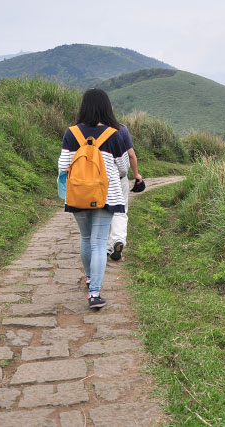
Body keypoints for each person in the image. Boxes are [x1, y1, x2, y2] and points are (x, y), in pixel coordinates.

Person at [58, 88, 129, 309]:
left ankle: (89, 278)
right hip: (105, 196)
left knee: (86, 239)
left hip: (78, 195)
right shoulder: (114, 134)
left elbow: (62, 166)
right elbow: (123, 167)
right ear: (106, 108)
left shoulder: (71, 134)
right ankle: (95, 294)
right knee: (99, 242)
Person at [106, 122, 143, 261]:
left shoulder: (88, 128)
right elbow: (131, 155)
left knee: (102, 211)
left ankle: (103, 245)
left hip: (96, 180)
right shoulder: (120, 129)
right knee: (120, 211)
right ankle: (118, 240)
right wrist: (136, 174)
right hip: (118, 178)